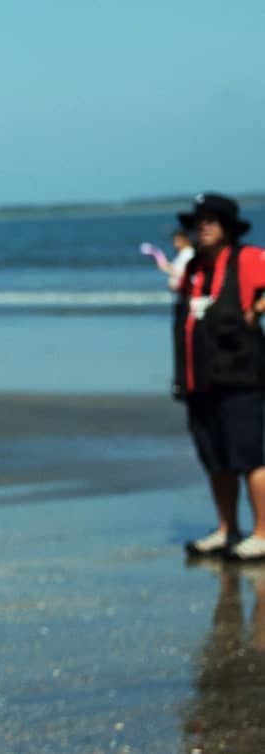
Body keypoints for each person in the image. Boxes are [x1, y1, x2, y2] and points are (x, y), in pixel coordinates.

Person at [173, 193, 265, 561]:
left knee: (252, 456)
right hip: (200, 381)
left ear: (228, 226)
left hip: (243, 380)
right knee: (215, 458)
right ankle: (227, 529)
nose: (204, 226)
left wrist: (258, 307)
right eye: (199, 220)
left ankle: (262, 532)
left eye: (212, 220)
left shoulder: (248, 259)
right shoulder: (194, 268)